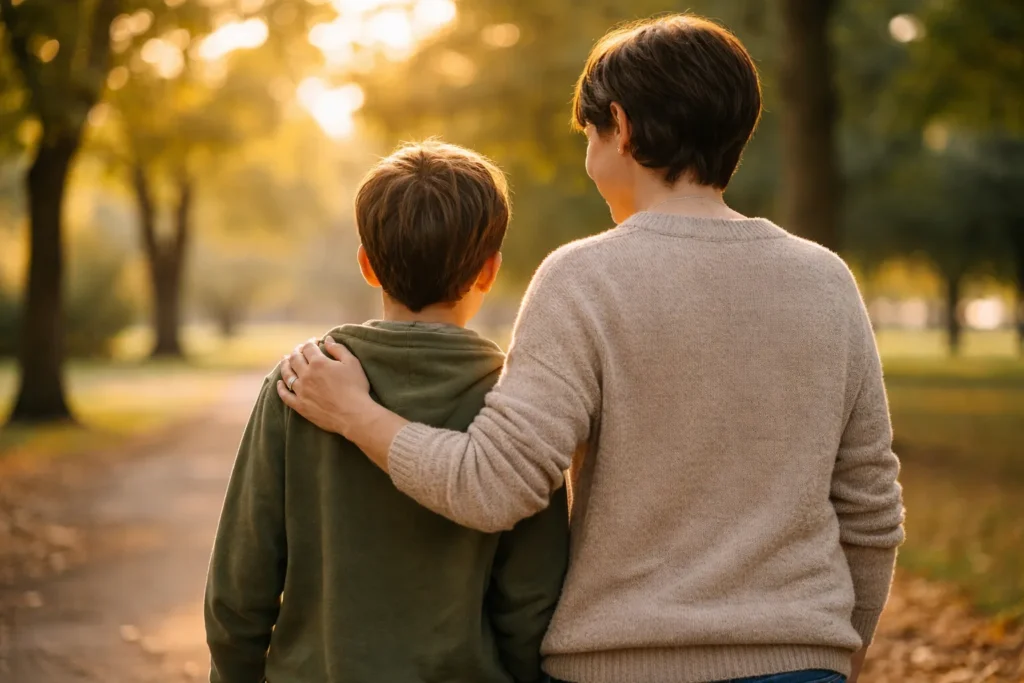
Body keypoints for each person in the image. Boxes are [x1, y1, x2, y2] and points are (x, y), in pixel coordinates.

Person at [278, 14, 905, 683]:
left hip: (620, 667)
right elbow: (869, 504)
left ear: (622, 127)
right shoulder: (826, 280)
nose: (588, 156)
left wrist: (355, 413)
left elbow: (492, 485)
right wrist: (840, 647)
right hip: (802, 663)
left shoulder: (583, 278)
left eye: (589, 134)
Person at [205, 141, 570, 683]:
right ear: (490, 271)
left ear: (367, 266)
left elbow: (241, 584)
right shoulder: (516, 399)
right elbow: (532, 599)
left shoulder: (299, 383)